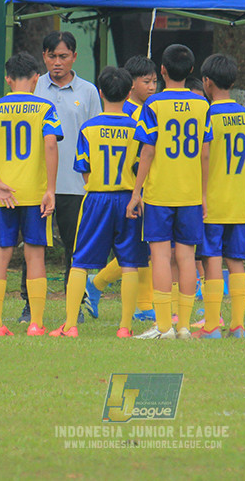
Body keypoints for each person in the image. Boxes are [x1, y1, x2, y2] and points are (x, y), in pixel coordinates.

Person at [51, 67, 146, 338]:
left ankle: (70, 325)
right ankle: (125, 327)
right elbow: (141, 164)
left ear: (100, 92)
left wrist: (97, 187)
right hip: (129, 198)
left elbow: (84, 167)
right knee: (129, 262)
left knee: (80, 261)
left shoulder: (89, 128)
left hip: (96, 198)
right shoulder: (136, 128)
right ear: (129, 93)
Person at [0, 52, 62, 337]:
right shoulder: (45, 107)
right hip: (35, 193)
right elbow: (51, 144)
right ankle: (36, 323)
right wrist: (50, 188)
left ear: (8, 79)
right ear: (36, 78)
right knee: (34, 256)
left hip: (4, 193)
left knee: (0, 255)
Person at [127, 44, 210, 340]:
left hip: (160, 192)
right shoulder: (202, 105)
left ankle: (164, 327)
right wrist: (202, 194)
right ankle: (185, 326)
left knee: (160, 257)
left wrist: (137, 192)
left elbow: (147, 151)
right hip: (189, 193)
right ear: (191, 71)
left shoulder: (154, 105)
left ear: (161, 71)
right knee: (187, 257)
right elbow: (204, 154)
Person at [30, 31, 101, 324]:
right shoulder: (35, 88)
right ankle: (28, 305)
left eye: (62, 56)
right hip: (37, 183)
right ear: (43, 57)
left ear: (74, 57)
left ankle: (77, 304)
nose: (56, 62)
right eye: (51, 56)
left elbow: (96, 135)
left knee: (76, 247)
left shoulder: (88, 92)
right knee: (35, 245)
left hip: (75, 184)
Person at [84, 54, 158, 321]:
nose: (152, 87)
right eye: (146, 82)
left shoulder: (148, 110)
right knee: (141, 247)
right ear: (131, 86)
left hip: (146, 187)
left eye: (155, 82)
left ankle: (136, 301)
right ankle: (105, 287)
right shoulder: (126, 114)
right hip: (127, 191)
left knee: (147, 247)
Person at [194, 54, 245, 339]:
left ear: (207, 82)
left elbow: (204, 154)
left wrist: (202, 193)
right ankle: (238, 325)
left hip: (213, 200)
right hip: (239, 199)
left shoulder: (207, 114)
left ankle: (212, 325)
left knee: (211, 258)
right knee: (236, 260)